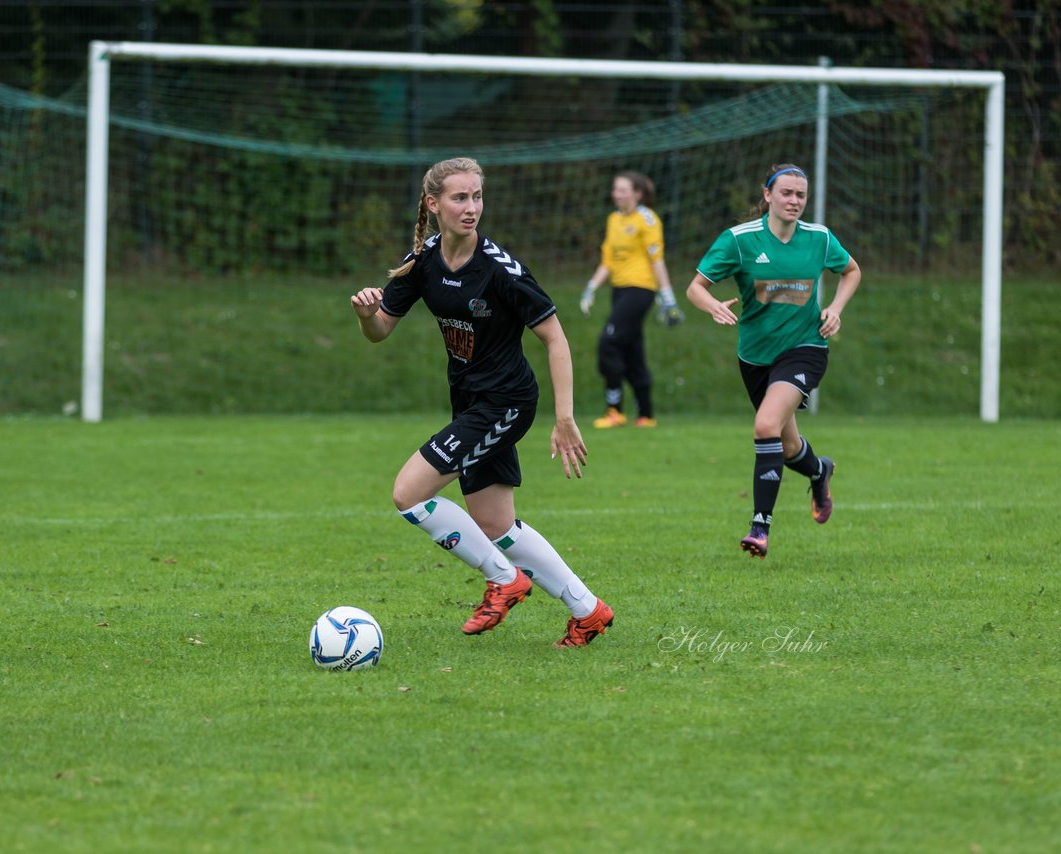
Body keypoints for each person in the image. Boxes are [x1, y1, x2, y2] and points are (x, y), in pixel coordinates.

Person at [350, 157, 613, 648]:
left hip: (506, 402)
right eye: (459, 198)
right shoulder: (426, 259)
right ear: (433, 204)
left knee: (409, 493)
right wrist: (366, 314)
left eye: (476, 197)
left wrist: (564, 417)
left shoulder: (500, 270)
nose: (471, 208)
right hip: (472, 404)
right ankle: (588, 611)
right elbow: (380, 330)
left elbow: (556, 340)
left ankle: (504, 580)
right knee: (495, 524)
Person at [683, 162, 861, 558]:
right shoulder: (739, 241)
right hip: (755, 357)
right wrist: (712, 305)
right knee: (787, 442)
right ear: (768, 196)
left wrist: (834, 308)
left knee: (765, 425)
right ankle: (819, 471)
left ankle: (760, 527)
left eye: (801, 194)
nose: (794, 200)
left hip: (805, 349)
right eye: (786, 193)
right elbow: (695, 288)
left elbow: (851, 271)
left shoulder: (819, 238)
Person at [579, 171, 683, 430]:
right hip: (619, 291)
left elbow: (657, 260)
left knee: (609, 343)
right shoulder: (613, 219)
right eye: (615, 189)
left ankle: (615, 410)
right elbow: (608, 262)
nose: (617, 194)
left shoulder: (647, 219)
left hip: (641, 290)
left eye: (623, 190)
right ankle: (646, 415)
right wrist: (591, 287)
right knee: (632, 349)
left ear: (637, 194)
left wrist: (667, 297)